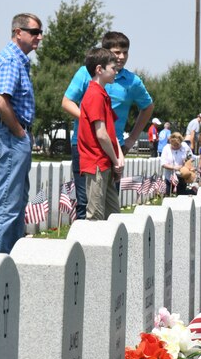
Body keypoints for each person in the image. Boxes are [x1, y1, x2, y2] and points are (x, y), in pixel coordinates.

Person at [61, 31, 154, 219]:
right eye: (116, 52)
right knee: (86, 202)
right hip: (84, 145)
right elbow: (66, 102)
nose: (121, 57)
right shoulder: (86, 73)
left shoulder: (132, 81)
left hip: (113, 146)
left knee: (109, 203)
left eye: (125, 52)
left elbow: (148, 107)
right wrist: (92, 120)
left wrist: (132, 139)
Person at [0, 12, 43, 253]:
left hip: (13, 134)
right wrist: (20, 131)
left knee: (17, 201)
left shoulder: (18, 61)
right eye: (34, 32)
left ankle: (9, 260)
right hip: (10, 135)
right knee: (9, 203)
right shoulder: (11, 60)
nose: (39, 37)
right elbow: (1, 102)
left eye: (40, 33)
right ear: (18, 33)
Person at [77, 48, 124, 220]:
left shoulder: (103, 94)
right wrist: (115, 159)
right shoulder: (95, 94)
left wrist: (118, 158)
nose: (116, 72)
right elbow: (101, 134)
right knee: (95, 216)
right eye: (113, 68)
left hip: (106, 162)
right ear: (99, 69)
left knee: (113, 216)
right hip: (97, 161)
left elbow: (111, 132)